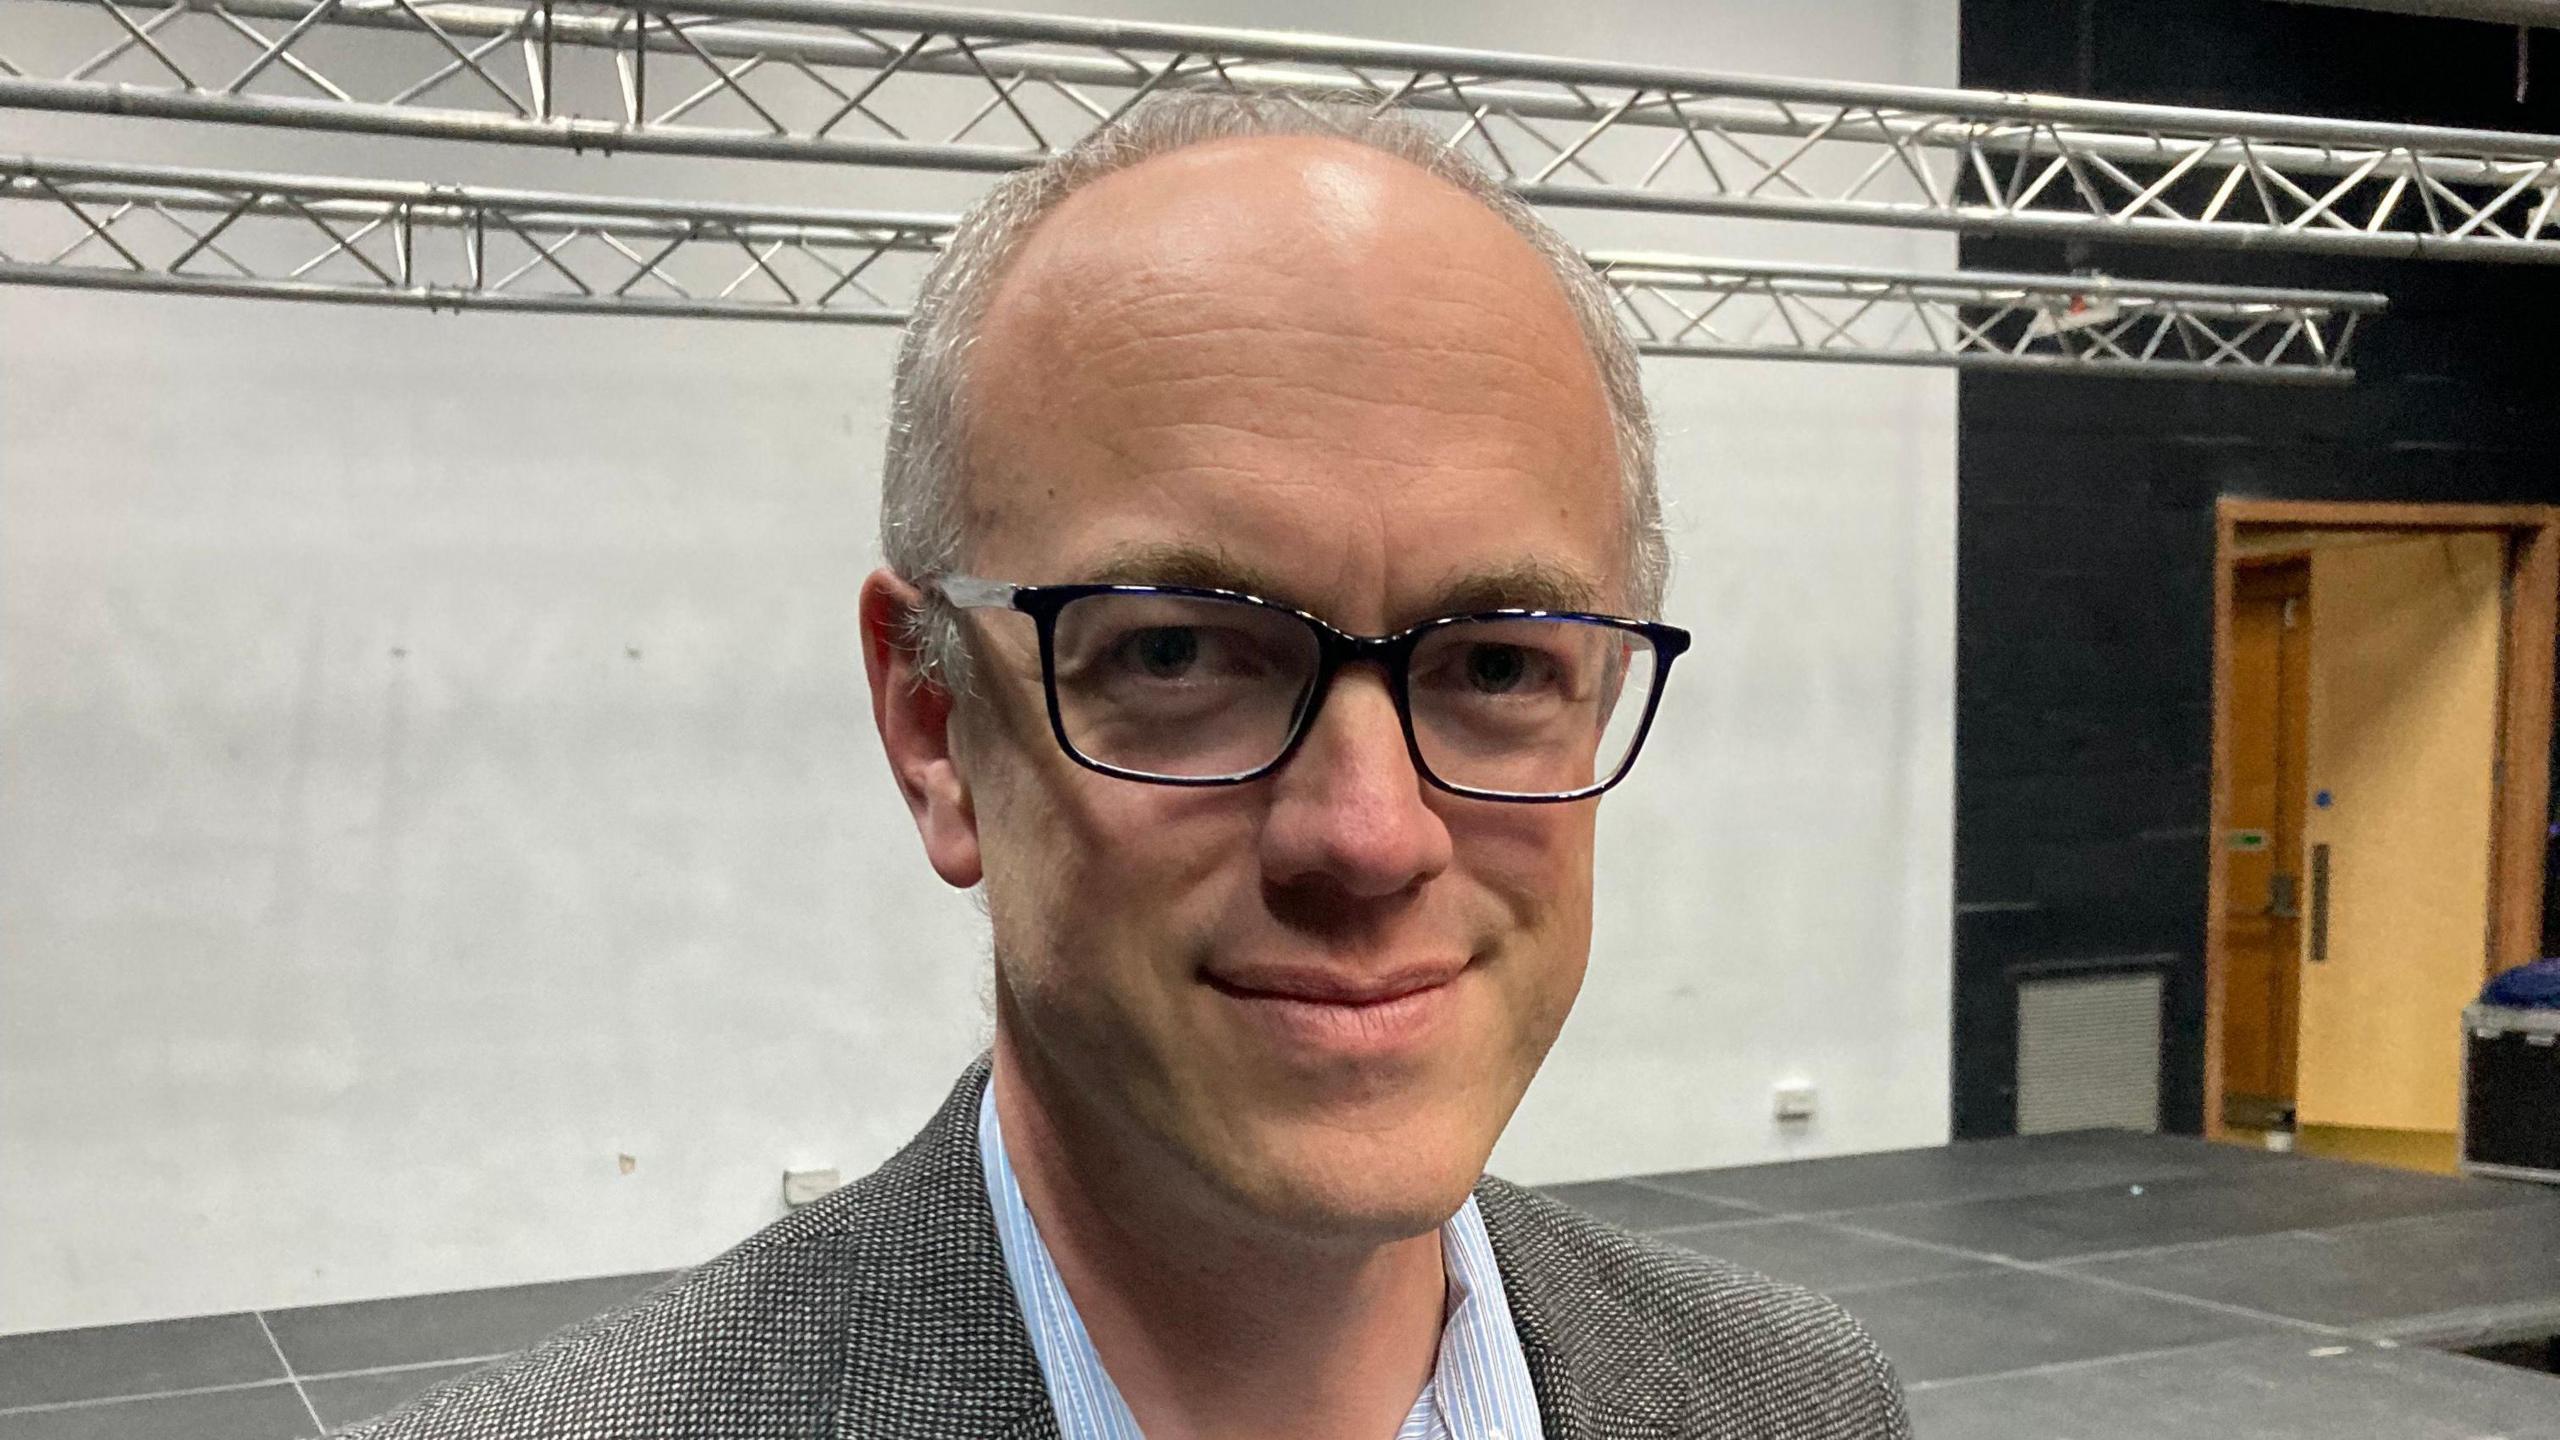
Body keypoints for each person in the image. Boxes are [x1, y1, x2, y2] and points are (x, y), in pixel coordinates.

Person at [343, 92, 1909, 1440]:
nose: (1367, 835)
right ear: (934, 723)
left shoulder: (1796, 1400)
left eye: (1497, 663)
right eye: (1177, 654)